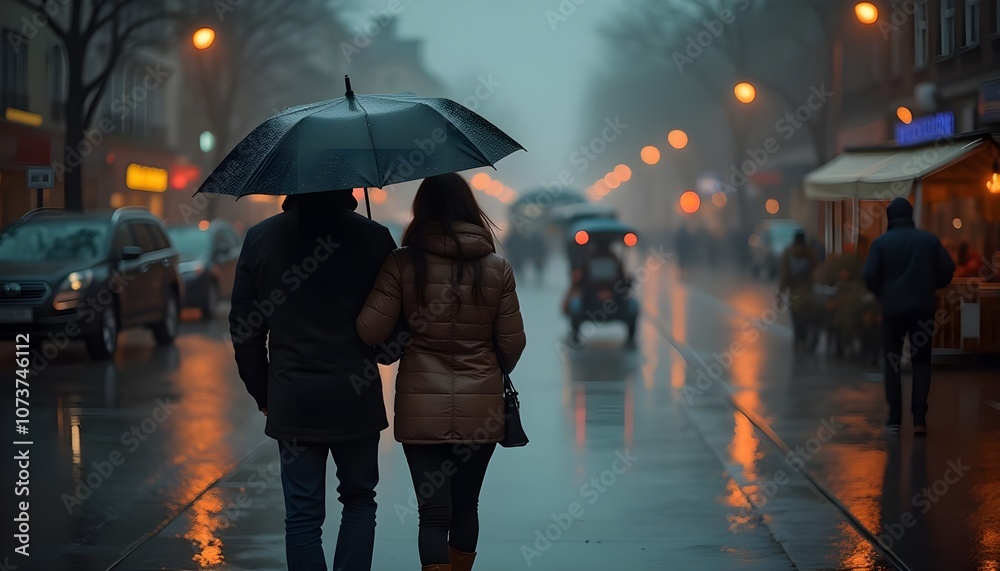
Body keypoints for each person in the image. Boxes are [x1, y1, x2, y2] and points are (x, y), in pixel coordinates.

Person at [356, 173, 526, 571]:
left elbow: (369, 332)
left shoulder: (402, 263)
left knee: (432, 513)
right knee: (466, 507)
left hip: (421, 410)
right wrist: (486, 366)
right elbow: (512, 345)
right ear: (471, 210)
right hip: (480, 409)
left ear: (421, 210)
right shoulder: (497, 269)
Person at [230, 190, 397, 571]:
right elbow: (399, 317)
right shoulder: (374, 237)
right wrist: (383, 351)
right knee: (359, 499)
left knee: (302, 514)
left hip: (292, 397)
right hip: (355, 396)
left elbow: (245, 328)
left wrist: (263, 391)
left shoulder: (261, 238)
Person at [863, 197, 955, 435]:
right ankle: (919, 419)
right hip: (923, 308)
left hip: (892, 311)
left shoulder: (880, 244)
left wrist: (883, 293)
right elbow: (948, 268)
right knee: (921, 361)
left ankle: (895, 419)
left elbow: (869, 275)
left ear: (890, 218)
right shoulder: (929, 240)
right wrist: (931, 286)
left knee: (892, 362)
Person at [778, 230, 819, 350]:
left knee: (795, 315)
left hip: (794, 289)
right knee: (806, 315)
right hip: (807, 289)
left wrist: (780, 295)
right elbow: (816, 271)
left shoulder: (788, 252)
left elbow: (784, 274)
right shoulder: (811, 253)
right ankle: (805, 337)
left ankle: (798, 338)